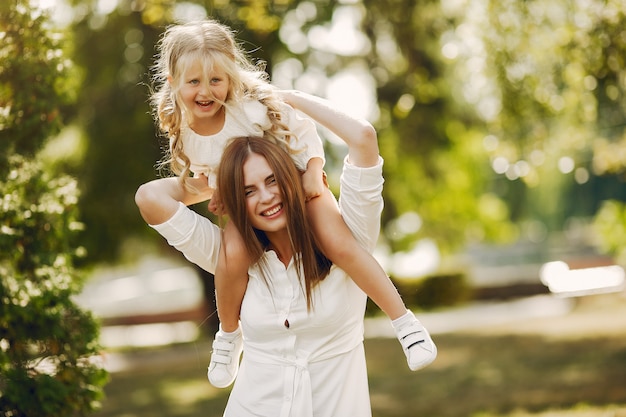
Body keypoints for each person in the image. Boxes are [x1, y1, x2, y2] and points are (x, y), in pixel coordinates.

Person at [148, 19, 436, 388]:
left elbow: (302, 131)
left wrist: (315, 170)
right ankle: (228, 335)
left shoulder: (249, 109)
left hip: (297, 184)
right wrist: (222, 190)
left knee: (339, 243)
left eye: (216, 80)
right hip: (252, 204)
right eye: (194, 82)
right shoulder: (187, 134)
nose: (206, 92)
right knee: (230, 257)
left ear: (232, 77)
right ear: (173, 83)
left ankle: (405, 323)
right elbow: (213, 172)